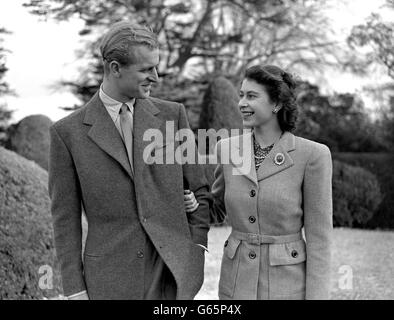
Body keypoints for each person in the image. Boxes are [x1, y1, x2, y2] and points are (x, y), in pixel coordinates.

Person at [48, 20, 211, 300]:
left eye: (156, 67)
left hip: (171, 279)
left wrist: (195, 251)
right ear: (114, 68)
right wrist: (75, 291)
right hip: (107, 283)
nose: (156, 77)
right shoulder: (67, 134)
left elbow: (200, 192)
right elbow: (65, 221)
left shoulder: (173, 117)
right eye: (146, 69)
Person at [187, 64, 333, 299]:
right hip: (235, 284)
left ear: (276, 103)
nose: (242, 103)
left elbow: (320, 239)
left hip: (287, 286)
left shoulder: (313, 155)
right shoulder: (227, 149)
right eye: (241, 95)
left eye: (252, 96)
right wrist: (195, 204)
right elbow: (216, 209)